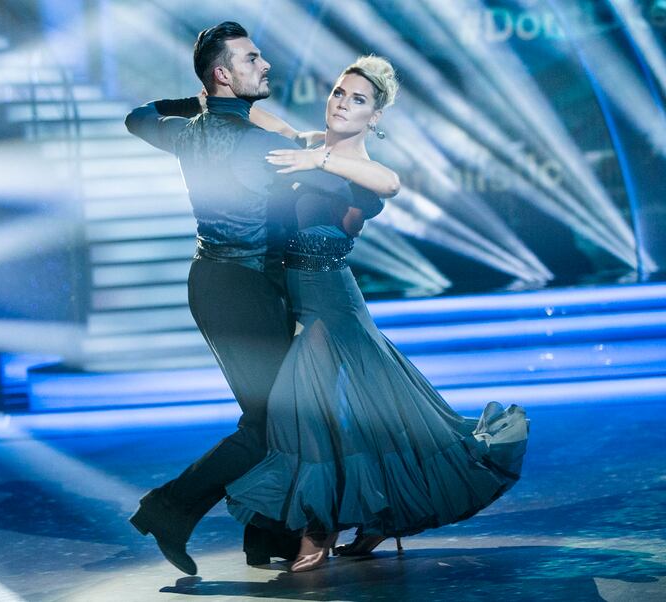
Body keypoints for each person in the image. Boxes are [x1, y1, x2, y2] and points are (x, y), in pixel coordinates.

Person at [225, 55, 529, 572]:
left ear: (375, 117)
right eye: (339, 92)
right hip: (291, 297)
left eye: (358, 99)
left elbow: (390, 183)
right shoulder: (308, 147)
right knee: (355, 417)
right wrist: (207, 99)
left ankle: (318, 529)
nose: (343, 103)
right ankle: (377, 517)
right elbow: (256, 118)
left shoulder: (358, 171)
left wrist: (318, 160)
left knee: (314, 413)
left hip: (328, 303)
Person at [124, 21, 373, 575]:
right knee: (272, 422)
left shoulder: (189, 132)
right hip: (244, 291)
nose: (264, 65)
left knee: (283, 416)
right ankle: (169, 510)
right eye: (251, 59)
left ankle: (266, 536)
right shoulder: (268, 149)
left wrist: (198, 102)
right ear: (224, 74)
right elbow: (362, 190)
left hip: (219, 286)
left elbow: (137, 116)